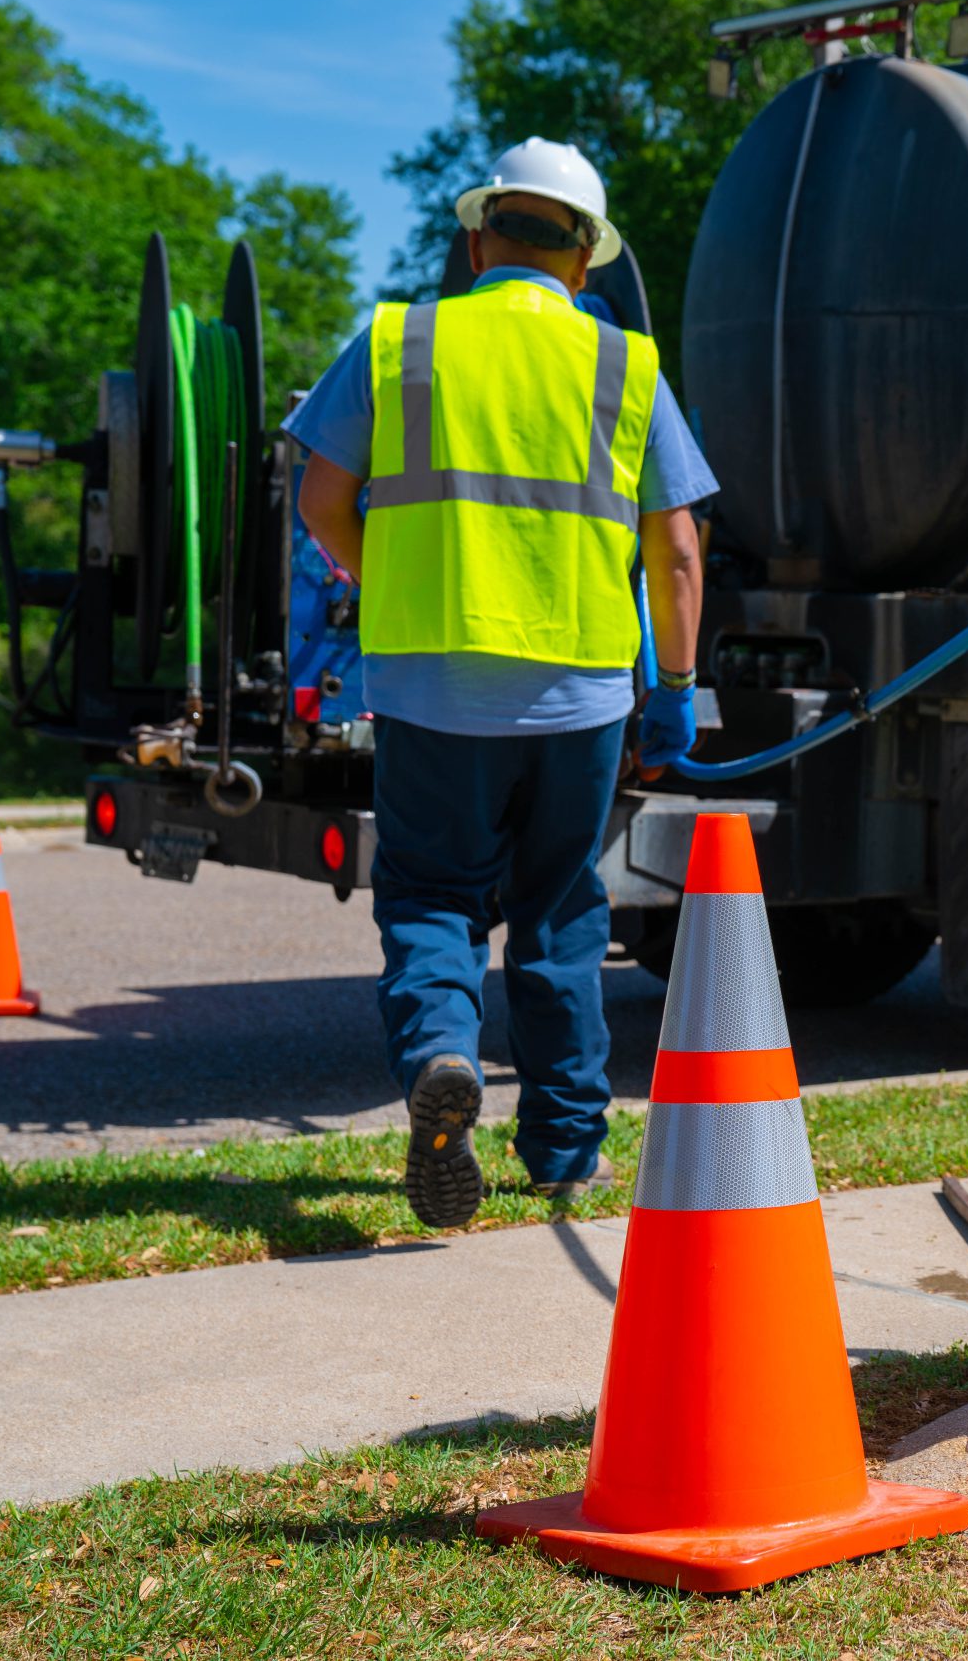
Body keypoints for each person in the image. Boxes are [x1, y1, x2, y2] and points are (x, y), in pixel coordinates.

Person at [287, 138, 717, 1229]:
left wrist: (395, 581)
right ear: (584, 257)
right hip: (579, 694)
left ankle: (442, 1049)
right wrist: (673, 684)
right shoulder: (626, 364)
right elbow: (676, 550)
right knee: (559, 912)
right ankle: (567, 1153)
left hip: (431, 686)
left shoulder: (400, 339)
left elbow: (319, 498)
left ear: (479, 237)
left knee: (432, 893)